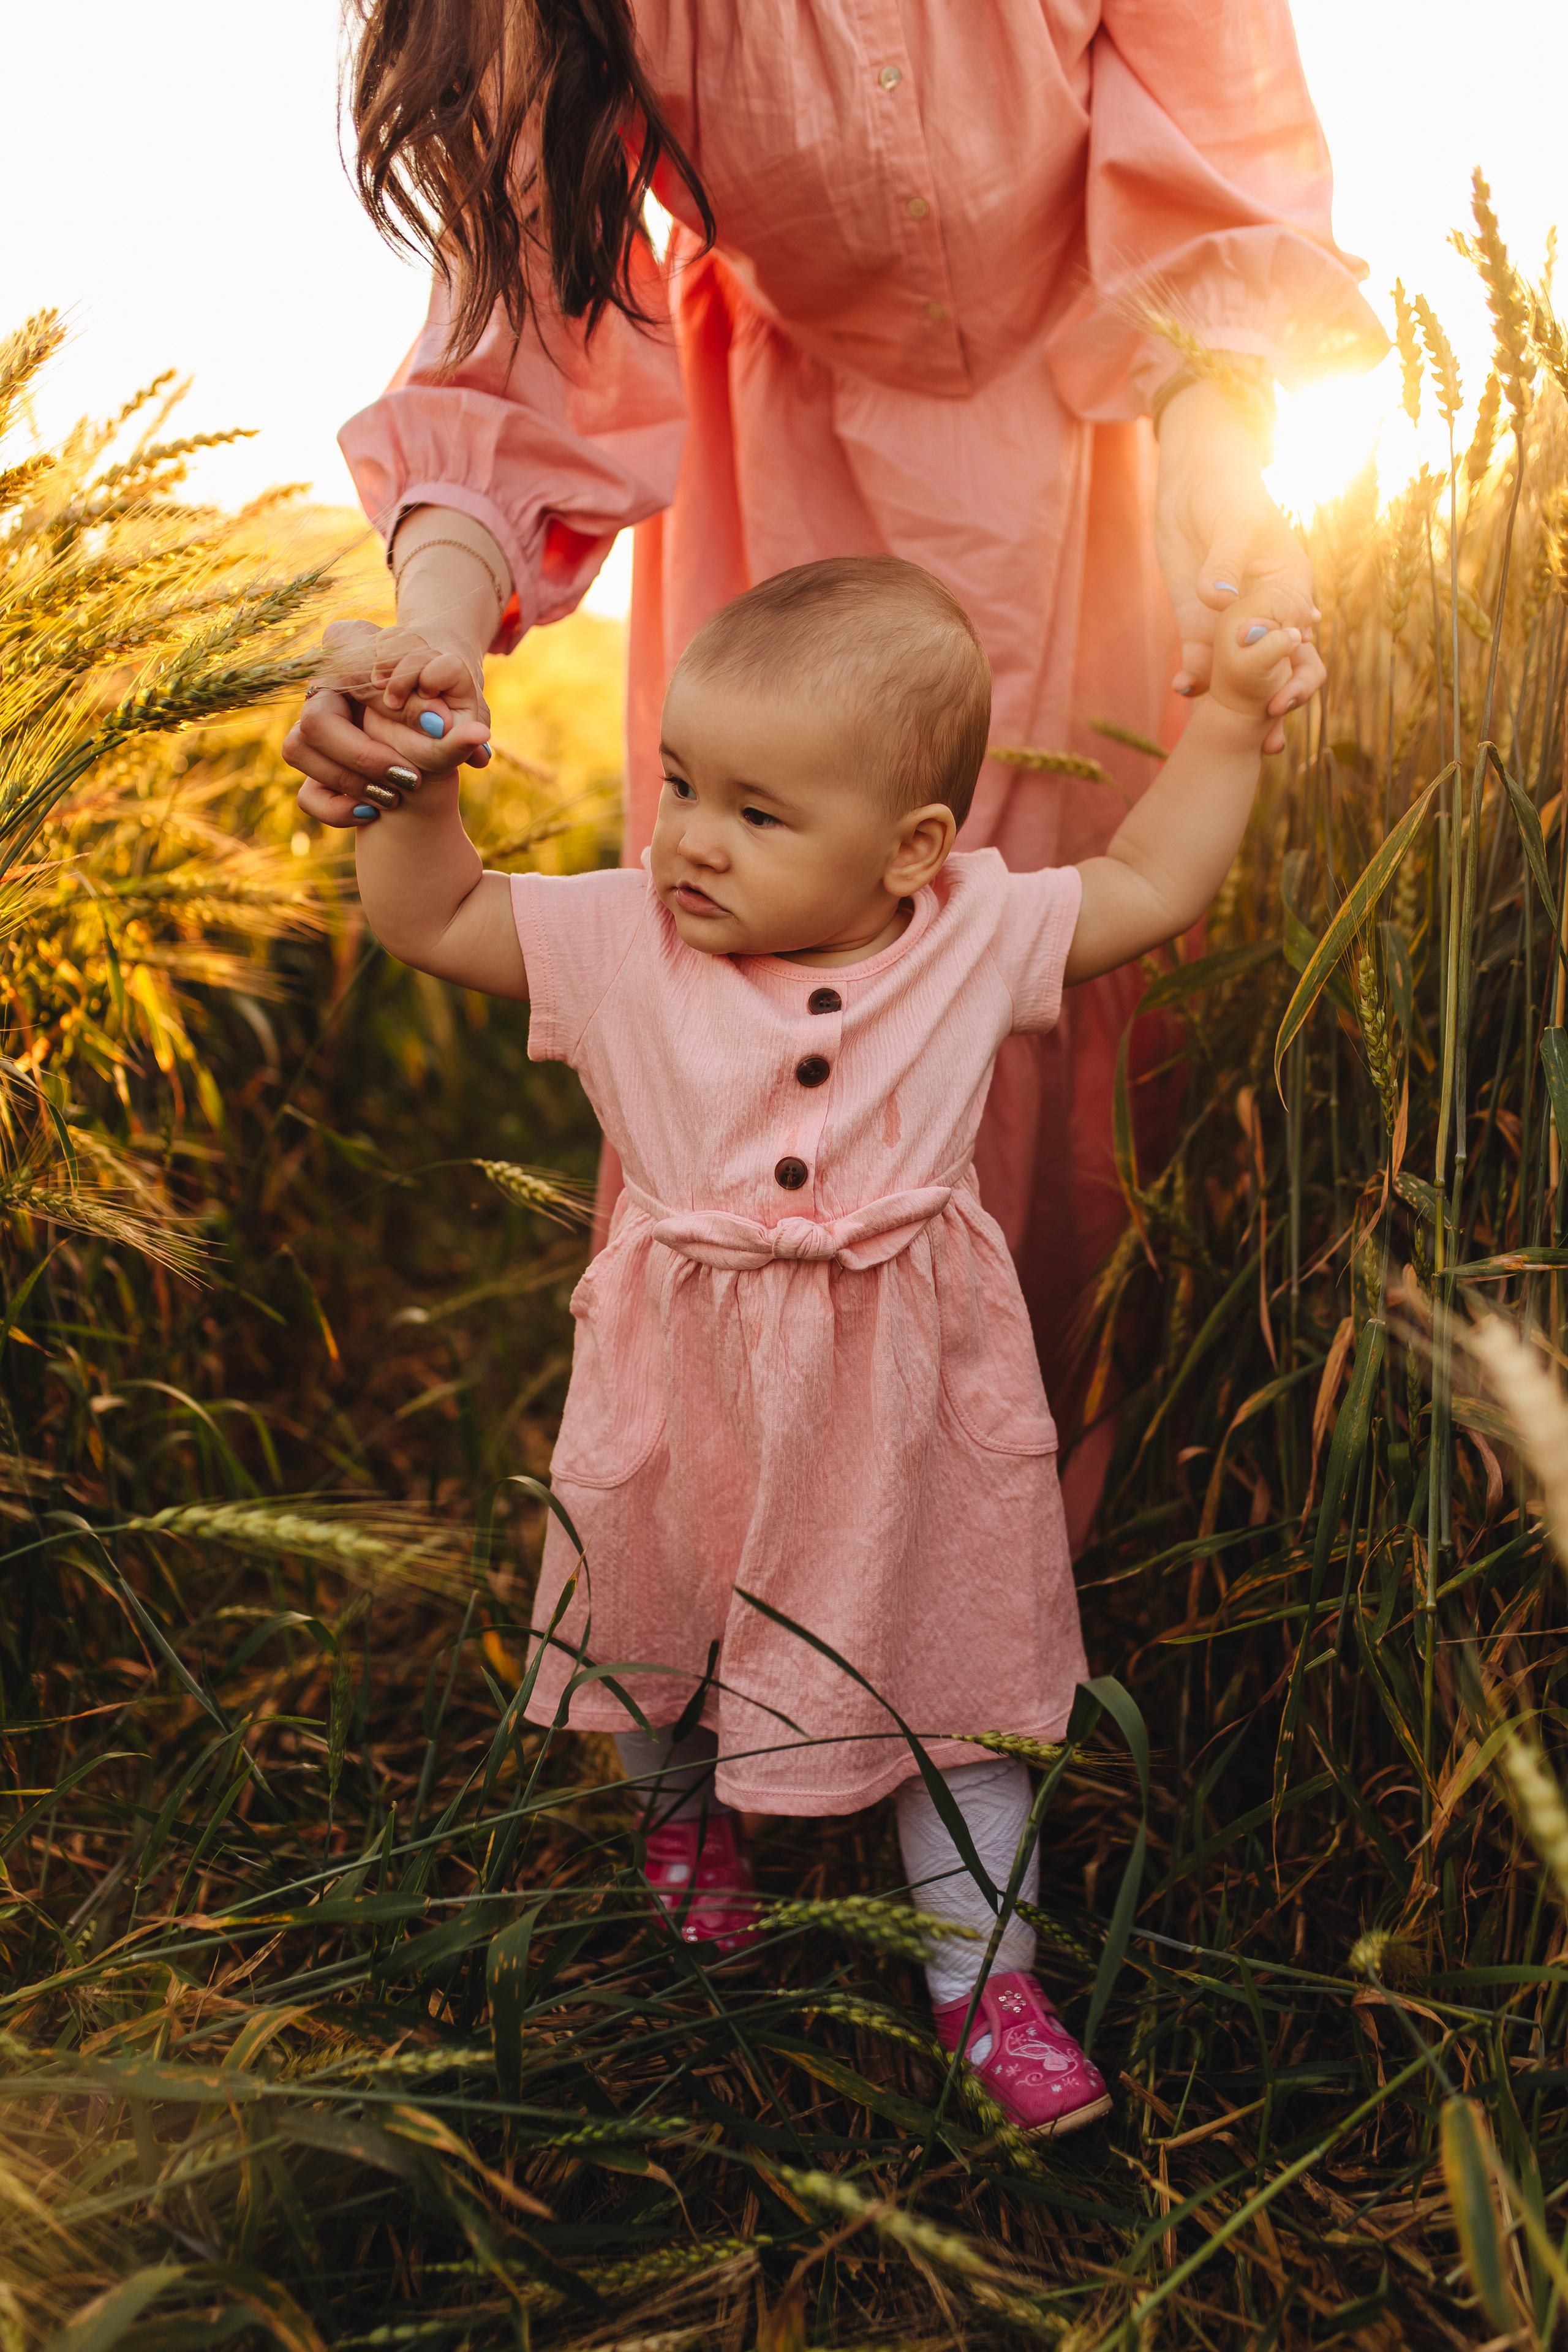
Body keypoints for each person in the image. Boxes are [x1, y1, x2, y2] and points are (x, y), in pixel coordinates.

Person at [285, 0, 1384, 1542]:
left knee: (1054, 1045)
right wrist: (431, 640)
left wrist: (1221, 480)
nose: (689, 830)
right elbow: (524, 336)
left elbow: (1211, 184)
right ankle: (732, 1543)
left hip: (1090, 457)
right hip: (783, 492)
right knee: (747, 973)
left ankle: (1013, 1545)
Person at [320, 552, 1303, 2134]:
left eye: (760, 815)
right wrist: (418, 792)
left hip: (908, 1392)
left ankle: (989, 1979)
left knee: (956, 1672)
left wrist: (1237, 720)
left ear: (915, 850)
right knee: (645, 1624)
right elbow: (432, 916)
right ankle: (684, 1821)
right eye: (681, 783)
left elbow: (1155, 884)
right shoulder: (618, 941)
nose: (693, 838)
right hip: (679, 1373)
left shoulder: (968, 937)